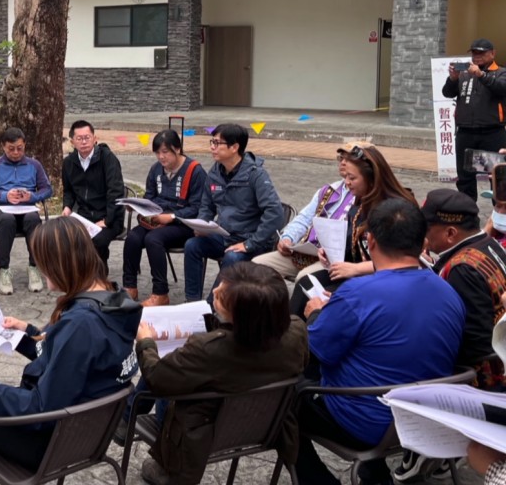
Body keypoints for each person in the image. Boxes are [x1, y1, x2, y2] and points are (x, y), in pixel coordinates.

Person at [0, 217, 141, 485]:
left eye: (43, 263)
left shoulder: (81, 325)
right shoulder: (113, 300)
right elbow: (69, 362)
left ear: (61, 263)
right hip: (80, 435)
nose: (40, 269)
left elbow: (40, 408)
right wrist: (26, 333)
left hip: (48, 444)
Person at [295, 198, 465, 485]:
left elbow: (315, 350)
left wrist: (316, 314)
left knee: (281, 406)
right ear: (423, 242)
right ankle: (375, 475)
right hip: (426, 420)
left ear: (371, 241)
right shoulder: (448, 291)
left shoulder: (357, 292)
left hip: (365, 422)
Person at [132, 262, 308, 485]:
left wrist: (146, 342)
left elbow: (157, 379)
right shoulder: (297, 331)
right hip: (265, 425)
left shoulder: (208, 349)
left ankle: (158, 457)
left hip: (204, 433)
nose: (214, 291)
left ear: (242, 317)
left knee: (168, 369)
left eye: (222, 297)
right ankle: (128, 417)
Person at [392, 189, 506, 482]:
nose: (422, 236)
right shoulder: (489, 244)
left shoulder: (461, 269)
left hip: (487, 379)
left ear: (451, 233)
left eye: (427, 229)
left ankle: (428, 448)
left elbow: (476, 342)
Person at [289, 144, 417, 317]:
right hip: (354, 272)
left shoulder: (398, 210)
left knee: (331, 299)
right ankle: (292, 332)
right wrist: (328, 253)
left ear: (371, 178)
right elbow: (350, 248)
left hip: (384, 279)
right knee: (305, 284)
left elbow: (402, 260)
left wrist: (356, 269)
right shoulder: (359, 203)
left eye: (352, 178)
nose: (347, 183)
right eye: (345, 177)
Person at [183, 124, 284, 303]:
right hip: (226, 235)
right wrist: (202, 224)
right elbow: (207, 205)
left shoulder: (256, 175)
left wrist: (250, 244)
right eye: (211, 142)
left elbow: (275, 213)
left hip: (252, 240)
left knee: (232, 257)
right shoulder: (215, 172)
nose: (212, 147)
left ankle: (211, 307)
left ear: (234, 147)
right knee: (192, 245)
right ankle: (192, 301)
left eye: (217, 143)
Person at [122, 129, 207, 305]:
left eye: (165, 152)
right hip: (156, 221)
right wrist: (138, 206)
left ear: (178, 149)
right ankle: (129, 286)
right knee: (132, 238)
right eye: (157, 153)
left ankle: (160, 292)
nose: (161, 157)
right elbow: (150, 196)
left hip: (183, 224)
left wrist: (172, 217)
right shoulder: (156, 169)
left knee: (153, 239)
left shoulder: (195, 171)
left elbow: (198, 207)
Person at [252, 150, 353, 282]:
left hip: (334, 259)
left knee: (304, 278)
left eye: (349, 159)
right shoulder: (329, 190)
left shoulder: (367, 197)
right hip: (307, 252)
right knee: (256, 266)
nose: (343, 163)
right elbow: (304, 219)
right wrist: (287, 238)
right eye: (341, 158)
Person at [0, 127, 52, 295]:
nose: (16, 153)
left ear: (25, 145)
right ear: (3, 146)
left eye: (20, 148)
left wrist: (32, 196)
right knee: (7, 220)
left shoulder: (34, 165)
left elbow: (47, 190)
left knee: (33, 219)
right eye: (11, 149)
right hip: (1, 211)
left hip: (26, 208)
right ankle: (3, 269)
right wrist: (5, 196)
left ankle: (34, 266)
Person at [443, 38, 506, 201]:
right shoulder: (464, 74)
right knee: (465, 178)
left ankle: (499, 212)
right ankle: (467, 211)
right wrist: (453, 79)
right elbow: (447, 93)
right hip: (466, 133)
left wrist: (481, 75)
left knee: (497, 177)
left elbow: (501, 88)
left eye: (481, 53)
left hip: (492, 134)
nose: (477, 56)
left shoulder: (501, 72)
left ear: (492, 54)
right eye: (474, 53)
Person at [61, 120, 125, 265]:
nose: (84, 142)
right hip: (84, 216)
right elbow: (68, 191)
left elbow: (116, 192)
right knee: (63, 237)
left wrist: (107, 220)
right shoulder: (68, 163)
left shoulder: (107, 158)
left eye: (87, 137)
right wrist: (67, 206)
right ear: (72, 142)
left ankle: (99, 273)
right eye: (79, 138)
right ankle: (76, 272)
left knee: (97, 240)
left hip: (110, 217)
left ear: (95, 138)